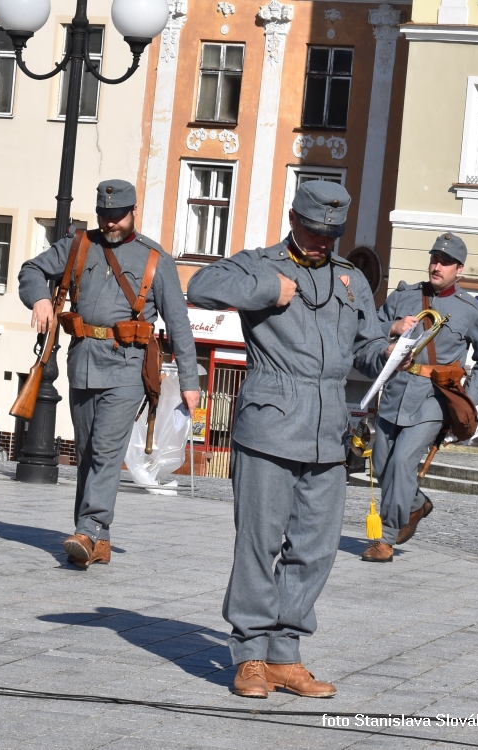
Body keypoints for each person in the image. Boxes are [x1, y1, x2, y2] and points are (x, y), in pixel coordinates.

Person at [186, 181, 394, 699]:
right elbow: (200, 286)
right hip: (271, 426)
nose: (323, 241)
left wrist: (394, 352)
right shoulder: (261, 265)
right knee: (258, 544)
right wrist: (266, 289)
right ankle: (250, 655)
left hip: (329, 433)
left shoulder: (350, 279)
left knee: (315, 550)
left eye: (332, 234)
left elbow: (365, 351)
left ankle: (284, 655)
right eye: (315, 230)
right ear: (294, 218)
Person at [18, 179, 199, 569]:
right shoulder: (80, 245)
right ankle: (98, 541)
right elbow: (31, 269)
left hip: (127, 367)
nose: (110, 223)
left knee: (105, 450)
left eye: (117, 216)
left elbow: (179, 325)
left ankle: (88, 528)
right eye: (104, 215)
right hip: (83, 362)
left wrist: (190, 382)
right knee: (86, 453)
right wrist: (39, 297)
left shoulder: (156, 259)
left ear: (133, 212)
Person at [363, 233, 478, 563]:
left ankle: (386, 538)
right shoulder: (404, 296)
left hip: (433, 399)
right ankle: (416, 504)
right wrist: (394, 327)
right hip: (395, 390)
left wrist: (468, 399)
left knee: (401, 461)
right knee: (381, 462)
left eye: (446, 262)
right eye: (434, 259)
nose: (437, 266)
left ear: (459, 269)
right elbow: (369, 330)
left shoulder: (470, 310)